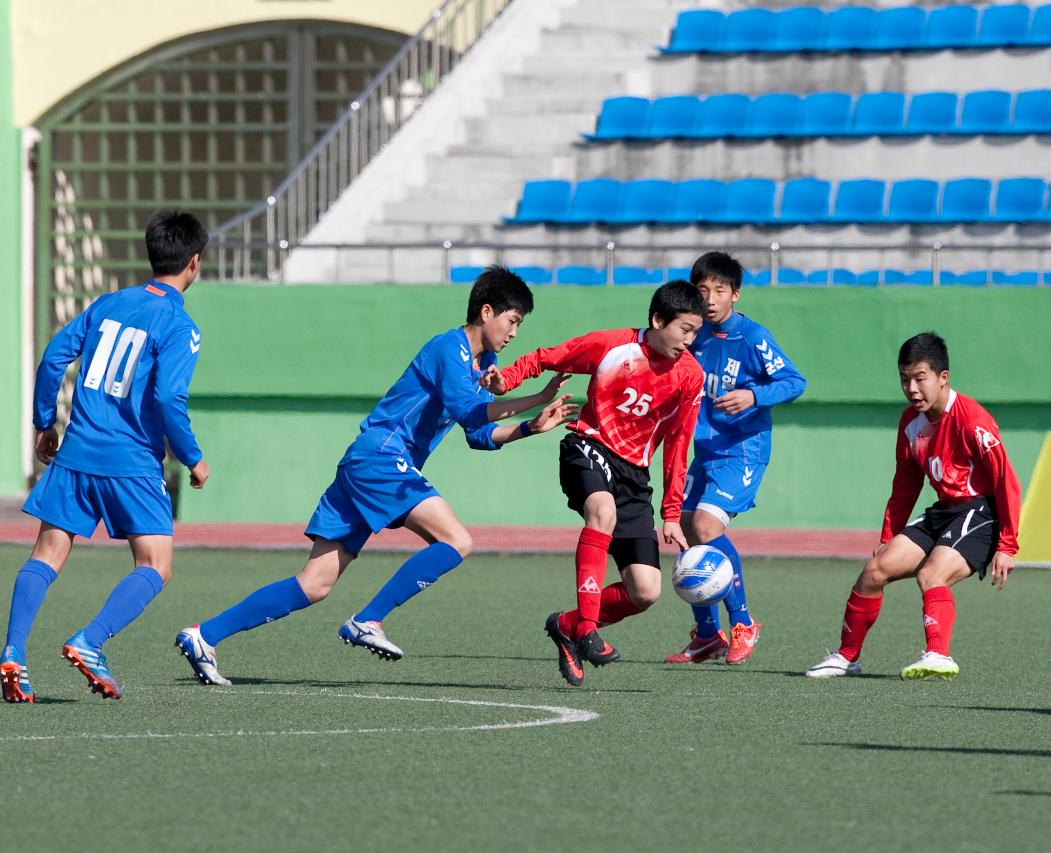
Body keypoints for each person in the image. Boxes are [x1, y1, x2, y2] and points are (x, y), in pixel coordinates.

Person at [175, 266, 574, 686]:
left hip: (367, 462)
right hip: (383, 458)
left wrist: (531, 426)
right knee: (457, 540)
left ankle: (205, 635)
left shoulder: (483, 362)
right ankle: (368, 619)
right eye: (512, 321)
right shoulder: (448, 348)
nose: (514, 333)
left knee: (314, 584)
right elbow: (467, 411)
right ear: (486, 311)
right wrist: (536, 398)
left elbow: (479, 434)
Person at [1, 210, 211, 703]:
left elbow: (54, 355)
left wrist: (43, 423)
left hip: (76, 452)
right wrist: (192, 457)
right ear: (194, 263)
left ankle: (12, 651)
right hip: (132, 461)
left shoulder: (110, 302)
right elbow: (166, 399)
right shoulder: (181, 324)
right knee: (156, 565)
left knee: (47, 553)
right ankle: (89, 642)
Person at [488, 280, 706, 686]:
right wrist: (509, 379)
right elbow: (547, 357)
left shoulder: (691, 376)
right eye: (685, 329)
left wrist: (672, 513)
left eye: (696, 331)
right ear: (658, 320)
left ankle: (568, 625)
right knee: (601, 510)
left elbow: (679, 443)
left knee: (645, 591)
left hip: (634, 476)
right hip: (588, 447)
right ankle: (587, 629)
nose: (690, 340)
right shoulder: (612, 346)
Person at [805, 332, 1021, 681]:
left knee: (931, 574)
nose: (912, 388)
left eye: (920, 378)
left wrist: (1008, 545)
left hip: (983, 512)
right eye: (905, 379)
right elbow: (906, 484)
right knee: (875, 569)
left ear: (942, 377)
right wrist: (889, 535)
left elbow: (1005, 482)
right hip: (945, 509)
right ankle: (846, 657)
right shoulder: (910, 422)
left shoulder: (973, 421)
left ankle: (939, 655)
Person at [662, 252, 806, 666]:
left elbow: (795, 381)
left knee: (705, 526)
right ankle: (708, 634)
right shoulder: (693, 334)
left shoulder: (753, 337)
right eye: (702, 290)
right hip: (704, 451)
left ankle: (743, 622)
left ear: (735, 295)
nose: (710, 299)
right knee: (686, 532)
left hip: (743, 447)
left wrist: (753, 395)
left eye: (719, 291)